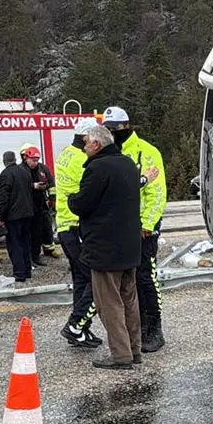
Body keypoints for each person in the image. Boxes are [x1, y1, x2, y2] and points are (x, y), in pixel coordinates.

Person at [68, 124, 143, 369]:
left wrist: (70, 199)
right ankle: (134, 349)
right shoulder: (128, 163)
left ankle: (121, 355)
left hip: (105, 248)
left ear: (97, 145)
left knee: (109, 304)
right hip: (129, 245)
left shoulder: (97, 168)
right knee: (129, 300)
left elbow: (82, 204)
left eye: (86, 142)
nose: (84, 146)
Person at [104, 106, 169, 352]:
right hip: (118, 227)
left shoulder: (146, 152)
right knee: (124, 280)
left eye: (115, 129)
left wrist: (148, 224)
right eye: (107, 129)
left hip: (142, 228)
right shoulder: (110, 153)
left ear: (126, 127)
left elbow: (157, 192)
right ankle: (134, 327)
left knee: (145, 277)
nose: (112, 133)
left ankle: (154, 328)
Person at [54, 118, 102, 348]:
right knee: (97, 279)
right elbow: (92, 192)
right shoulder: (83, 159)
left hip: (65, 225)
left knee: (81, 279)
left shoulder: (65, 154)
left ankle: (82, 329)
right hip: (77, 225)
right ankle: (75, 325)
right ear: (87, 138)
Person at [0, 150, 35, 282]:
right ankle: (27, 270)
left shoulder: (6, 174)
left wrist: (0, 216)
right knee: (25, 242)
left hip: (13, 215)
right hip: (28, 213)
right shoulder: (24, 171)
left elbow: (3, 198)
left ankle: (19, 272)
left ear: (5, 161)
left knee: (14, 244)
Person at [22, 144, 57, 265]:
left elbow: (51, 183)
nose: (35, 163)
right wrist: (33, 186)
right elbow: (19, 186)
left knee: (38, 233)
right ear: (26, 158)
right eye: (33, 160)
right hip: (27, 206)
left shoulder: (43, 169)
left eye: (37, 160)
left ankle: (36, 257)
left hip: (40, 205)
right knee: (28, 234)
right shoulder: (21, 170)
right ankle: (28, 258)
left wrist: (52, 197)